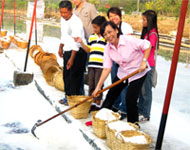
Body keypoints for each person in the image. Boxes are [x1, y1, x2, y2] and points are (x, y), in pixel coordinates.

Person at [92, 21, 152, 124]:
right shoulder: (107, 48)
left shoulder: (128, 40)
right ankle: (99, 121)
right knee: (111, 95)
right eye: (105, 34)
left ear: (116, 30)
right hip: (123, 73)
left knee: (130, 99)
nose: (108, 36)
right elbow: (106, 68)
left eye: (110, 32)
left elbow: (147, 45)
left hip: (138, 72)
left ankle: (133, 125)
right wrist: (98, 87)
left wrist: (144, 61)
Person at [74, 16, 107, 111]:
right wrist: (81, 43)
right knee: (91, 84)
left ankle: (98, 104)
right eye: (93, 27)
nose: (94, 29)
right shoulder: (92, 37)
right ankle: (92, 102)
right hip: (91, 65)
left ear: (102, 26)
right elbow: (89, 50)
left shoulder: (106, 38)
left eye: (96, 27)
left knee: (99, 85)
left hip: (101, 66)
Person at [58, 0, 87, 105]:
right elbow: (63, 34)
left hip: (77, 52)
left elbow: (76, 42)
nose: (63, 15)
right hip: (68, 49)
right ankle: (67, 96)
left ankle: (73, 99)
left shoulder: (76, 22)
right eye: (61, 12)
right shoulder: (63, 20)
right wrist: (61, 47)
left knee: (74, 76)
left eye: (65, 12)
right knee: (66, 75)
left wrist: (71, 59)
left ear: (71, 11)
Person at [107, 7, 133, 119]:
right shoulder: (109, 28)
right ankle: (115, 105)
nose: (113, 18)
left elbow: (130, 44)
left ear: (120, 15)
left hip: (126, 61)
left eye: (115, 15)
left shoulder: (125, 26)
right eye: (110, 16)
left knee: (124, 85)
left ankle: (124, 109)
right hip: (115, 60)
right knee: (115, 83)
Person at [71, 0, 98, 95]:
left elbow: (98, 24)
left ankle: (95, 97)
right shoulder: (73, 11)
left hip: (90, 44)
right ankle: (80, 95)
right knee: (80, 70)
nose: (74, 1)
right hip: (79, 44)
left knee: (93, 71)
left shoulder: (90, 7)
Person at [138, 10, 159, 121]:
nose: (143, 22)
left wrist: (144, 60)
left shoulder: (153, 34)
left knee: (146, 91)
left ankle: (145, 114)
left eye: (144, 20)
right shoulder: (147, 32)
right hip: (143, 64)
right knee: (141, 90)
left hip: (148, 65)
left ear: (150, 20)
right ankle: (140, 110)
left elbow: (148, 48)